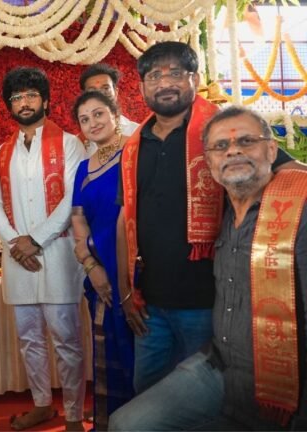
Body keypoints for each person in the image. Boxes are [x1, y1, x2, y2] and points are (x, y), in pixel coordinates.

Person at [115, 41, 301, 395]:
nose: (164, 82)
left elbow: (290, 171)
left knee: (206, 402)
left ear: (194, 78)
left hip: (209, 303)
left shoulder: (222, 130)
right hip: (149, 304)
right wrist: (126, 293)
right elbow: (126, 218)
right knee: (146, 395)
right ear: (141, 88)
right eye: (154, 75)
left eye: (174, 73)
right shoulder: (135, 144)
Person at [0, 67, 87, 431]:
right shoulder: (0, 152)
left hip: (57, 253)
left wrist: (36, 240)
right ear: (9, 106)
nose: (23, 102)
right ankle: (42, 403)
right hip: (17, 258)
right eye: (16, 98)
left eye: (30, 95)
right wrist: (16, 243)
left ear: (45, 100)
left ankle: (75, 414)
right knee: (29, 337)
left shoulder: (69, 145)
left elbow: (71, 198)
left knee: (66, 338)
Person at [70, 90, 134, 430]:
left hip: (136, 268)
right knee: (107, 349)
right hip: (99, 269)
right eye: (84, 119)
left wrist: (123, 270)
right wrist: (91, 266)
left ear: (115, 114)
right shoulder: (83, 167)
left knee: (139, 350)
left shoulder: (135, 154)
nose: (93, 123)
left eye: (98, 114)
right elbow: (77, 219)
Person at [79, 63, 140, 136]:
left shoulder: (136, 132)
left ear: (116, 93)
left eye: (105, 89)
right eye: (92, 91)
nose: (100, 95)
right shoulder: (80, 142)